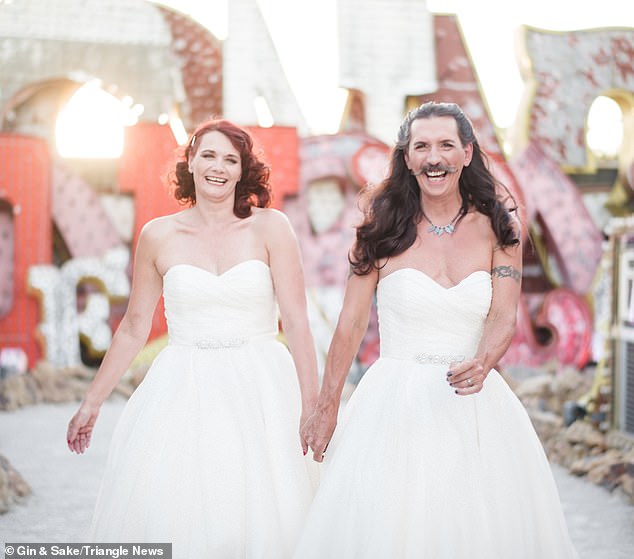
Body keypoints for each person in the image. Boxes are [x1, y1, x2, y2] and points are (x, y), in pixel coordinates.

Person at [294, 102, 578, 558]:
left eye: (446, 145)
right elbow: (350, 323)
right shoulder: (379, 230)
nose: (433, 157)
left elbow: (504, 315)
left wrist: (484, 362)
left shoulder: (500, 229)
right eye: (421, 146)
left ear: (467, 153)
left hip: (474, 403)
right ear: (406, 158)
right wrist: (327, 406)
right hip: (393, 407)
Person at [67, 118, 319, 558]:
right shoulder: (157, 235)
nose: (218, 167)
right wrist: (91, 402)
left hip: (262, 390)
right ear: (190, 161)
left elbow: (297, 322)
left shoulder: (272, 228)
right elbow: (133, 326)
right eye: (208, 155)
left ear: (243, 171)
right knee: (183, 512)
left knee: (267, 513)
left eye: (230, 159)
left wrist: (313, 405)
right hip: (183, 391)